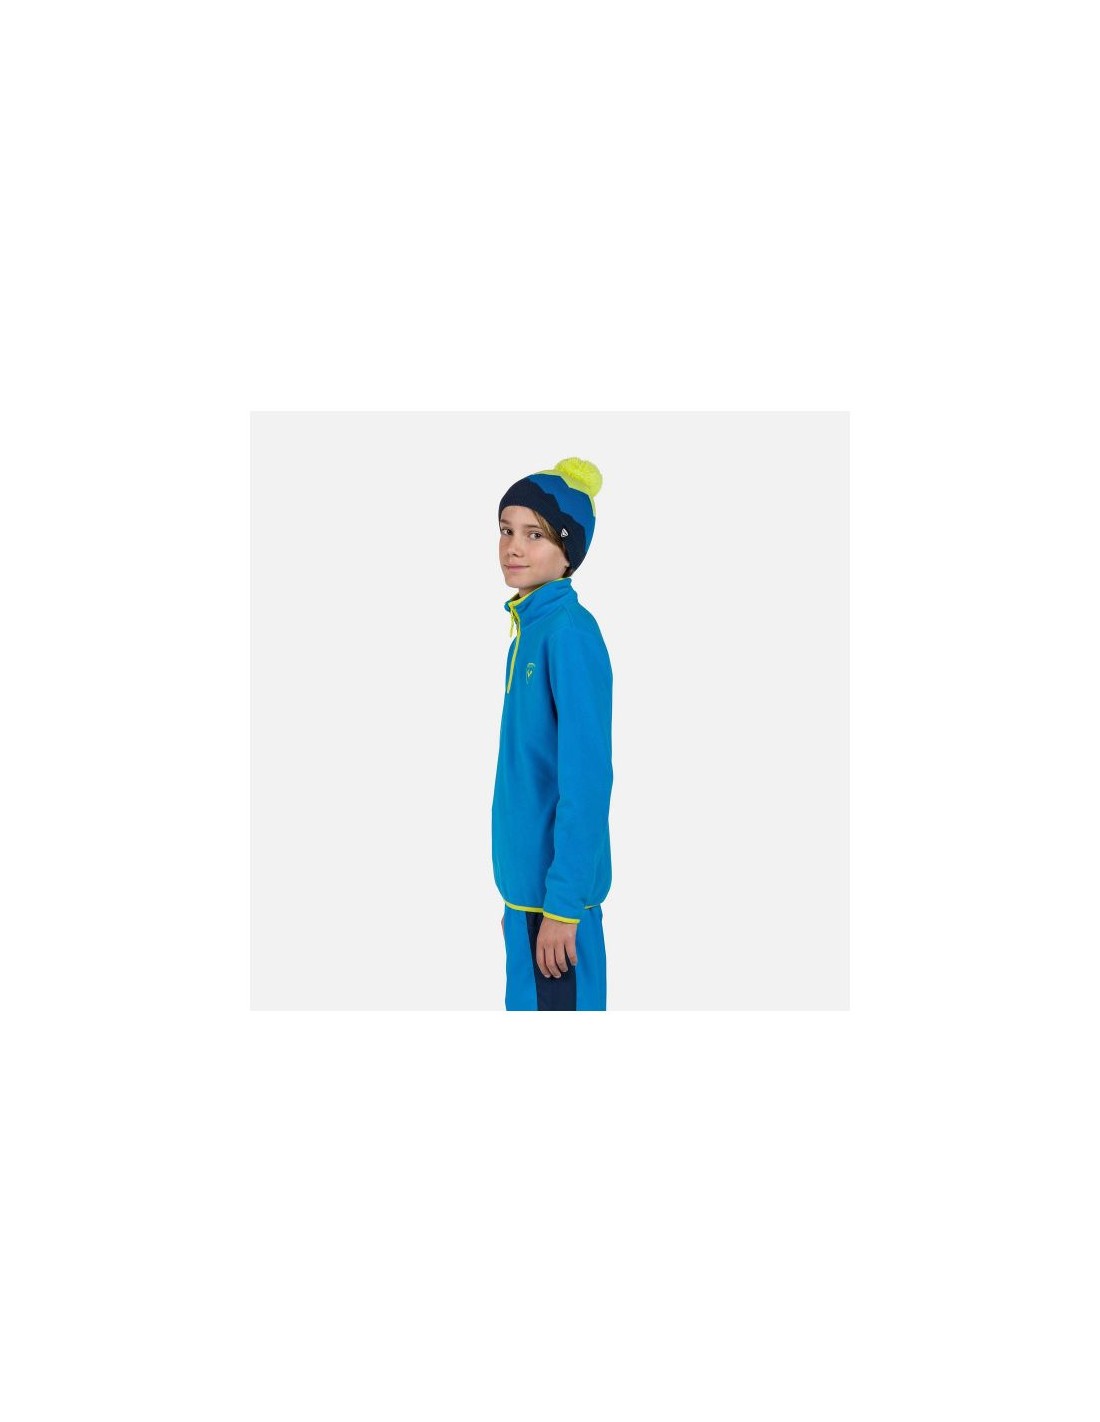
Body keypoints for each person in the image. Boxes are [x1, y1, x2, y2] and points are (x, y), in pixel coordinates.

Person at [491, 458, 614, 1011]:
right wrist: (523, 899)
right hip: (527, 899)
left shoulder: (568, 635)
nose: (513, 548)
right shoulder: (529, 630)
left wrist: (563, 907)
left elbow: (586, 780)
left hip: (556, 906)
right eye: (506, 530)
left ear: (568, 551)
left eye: (534, 535)